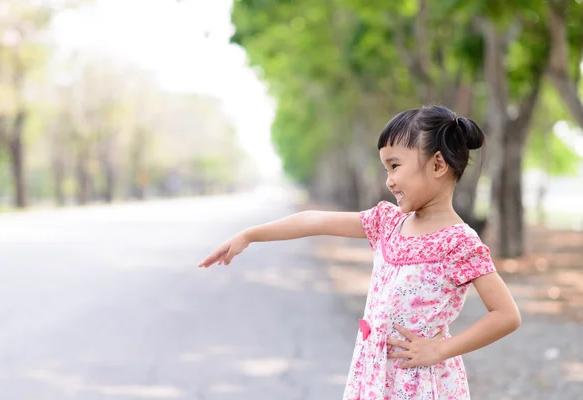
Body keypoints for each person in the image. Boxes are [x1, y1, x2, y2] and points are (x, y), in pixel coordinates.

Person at [198, 105, 521, 399]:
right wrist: (251, 234)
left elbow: (506, 315)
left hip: (418, 380)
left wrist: (440, 350)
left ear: (437, 164)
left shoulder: (458, 243)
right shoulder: (387, 222)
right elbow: (314, 220)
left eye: (395, 166)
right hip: (372, 373)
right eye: (385, 169)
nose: (389, 180)